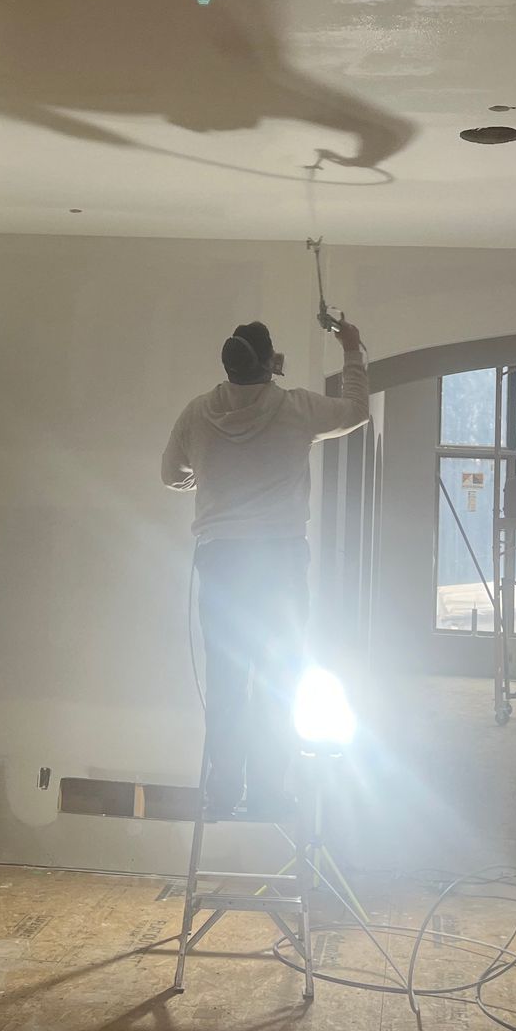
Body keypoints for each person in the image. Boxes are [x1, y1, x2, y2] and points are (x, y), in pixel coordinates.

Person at [161, 318, 369, 819]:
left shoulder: (198, 413)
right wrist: (351, 350)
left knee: (228, 683)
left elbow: (172, 475)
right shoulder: (294, 409)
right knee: (278, 678)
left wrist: (207, 482)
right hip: (278, 560)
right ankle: (270, 795)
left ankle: (224, 792)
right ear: (270, 360)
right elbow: (357, 412)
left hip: (222, 563)